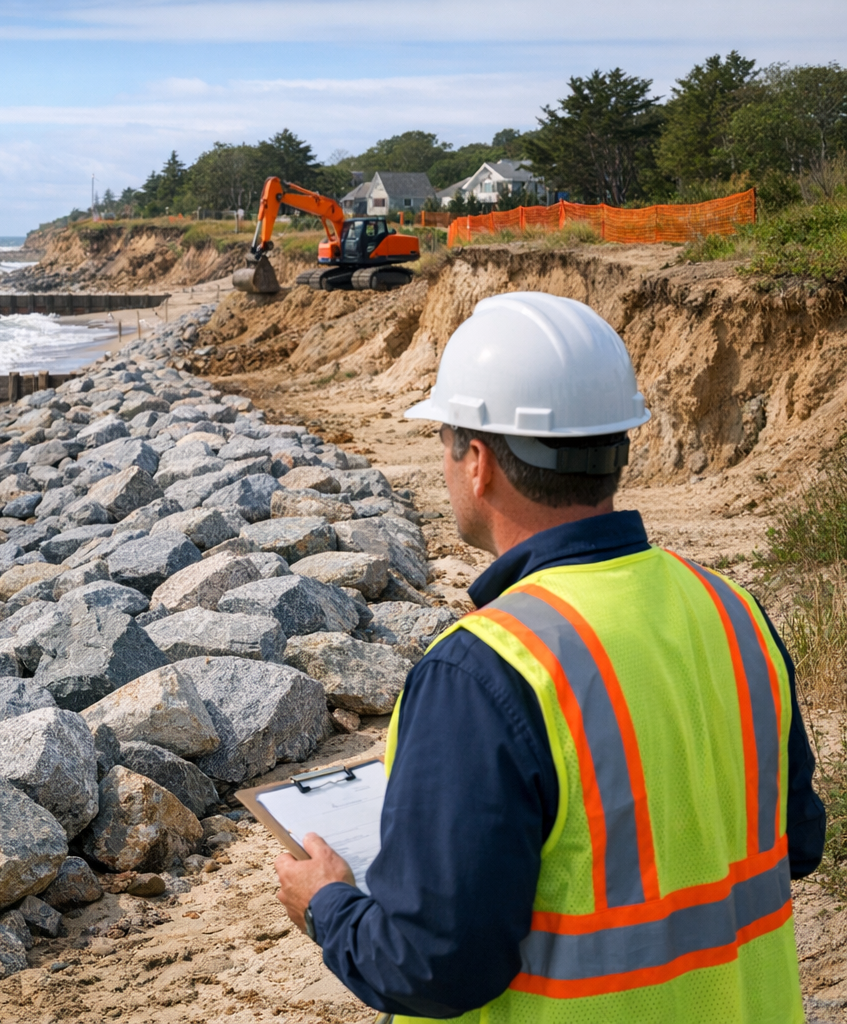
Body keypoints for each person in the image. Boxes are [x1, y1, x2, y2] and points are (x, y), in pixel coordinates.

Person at [273, 292, 824, 1022]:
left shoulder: (483, 672)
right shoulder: (734, 612)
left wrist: (328, 906)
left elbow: (438, 965)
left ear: (477, 463)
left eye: (445, 439)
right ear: (616, 447)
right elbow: (799, 843)